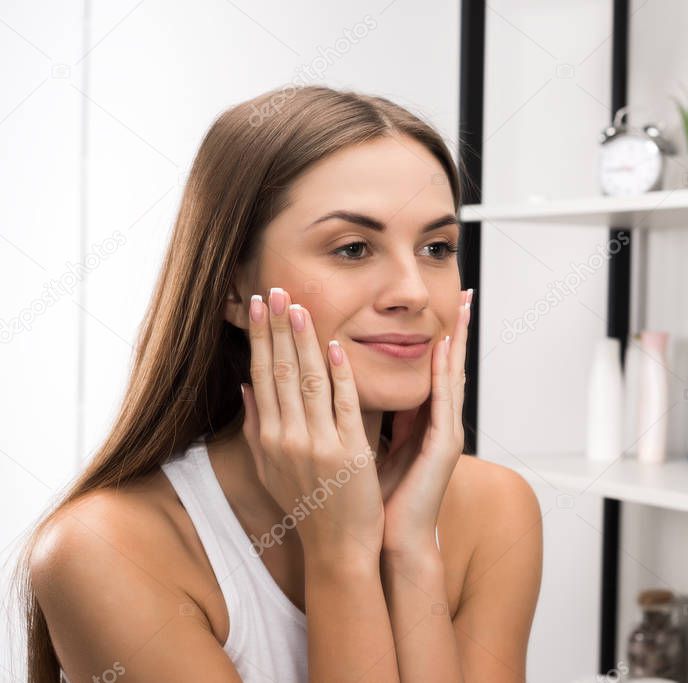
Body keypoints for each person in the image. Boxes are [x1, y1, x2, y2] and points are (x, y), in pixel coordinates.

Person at [20, 85, 542, 682]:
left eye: (436, 247)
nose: (414, 292)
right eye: (352, 248)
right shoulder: (101, 551)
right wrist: (341, 555)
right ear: (231, 288)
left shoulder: (497, 510)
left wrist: (410, 550)